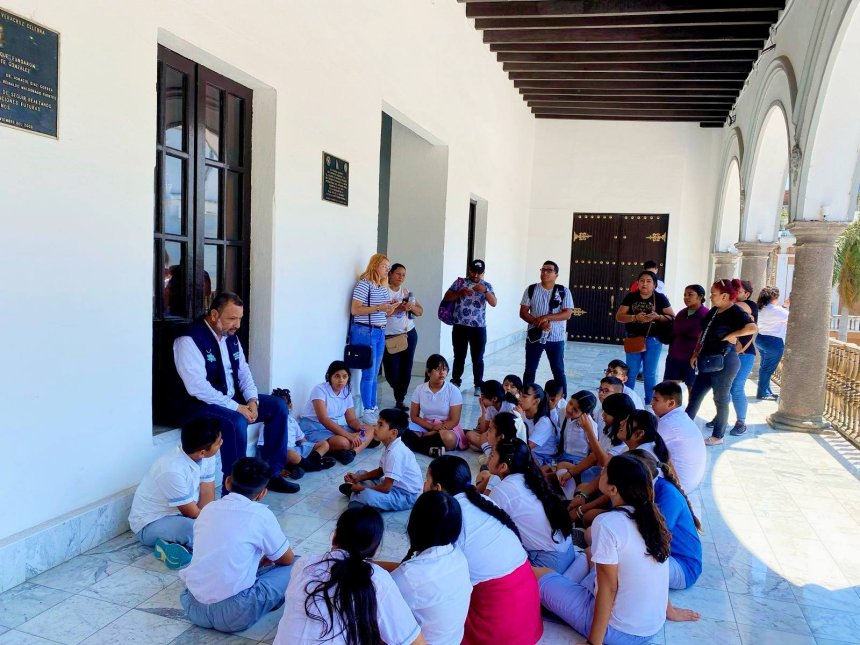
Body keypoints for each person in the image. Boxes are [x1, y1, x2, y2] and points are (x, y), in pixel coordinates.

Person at [537, 454, 674, 645]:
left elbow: (608, 589)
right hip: (650, 626)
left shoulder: (608, 523)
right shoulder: (651, 516)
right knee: (590, 554)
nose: (601, 471)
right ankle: (565, 583)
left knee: (538, 575)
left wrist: (593, 643)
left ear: (613, 489)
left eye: (605, 471)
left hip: (618, 631)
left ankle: (560, 584)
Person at [172, 291, 298, 495]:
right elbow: (197, 387)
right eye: (232, 319)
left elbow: (244, 372)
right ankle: (235, 490)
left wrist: (252, 400)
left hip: (229, 400)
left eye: (240, 318)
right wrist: (237, 407)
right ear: (214, 315)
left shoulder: (231, 337)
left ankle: (271, 474)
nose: (237, 325)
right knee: (235, 422)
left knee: (277, 406)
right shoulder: (189, 340)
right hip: (197, 405)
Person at [424, 455, 543, 645]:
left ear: (437, 488)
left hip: (496, 626)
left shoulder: (449, 517)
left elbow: (426, 579)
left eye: (426, 480)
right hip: (527, 616)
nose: (423, 485)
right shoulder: (483, 502)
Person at [273, 506, 424, 645]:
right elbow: (415, 643)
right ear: (376, 549)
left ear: (334, 536)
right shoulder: (377, 580)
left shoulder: (304, 564)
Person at [180, 457, 296, 633]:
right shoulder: (261, 514)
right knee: (297, 565)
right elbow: (287, 559)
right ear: (262, 493)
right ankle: (270, 601)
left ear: (227, 482)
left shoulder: (208, 509)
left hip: (192, 607)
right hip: (234, 615)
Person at [128, 418, 222, 569]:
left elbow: (207, 493)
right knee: (202, 531)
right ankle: (179, 544)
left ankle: (170, 546)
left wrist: (212, 521)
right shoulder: (171, 469)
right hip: (150, 524)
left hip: (180, 516)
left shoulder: (206, 457)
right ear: (202, 452)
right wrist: (211, 525)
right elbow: (192, 513)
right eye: (218, 442)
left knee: (212, 528)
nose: (221, 443)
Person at [384, 491, 472, 645]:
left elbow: (379, 612)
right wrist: (371, 564)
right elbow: (408, 572)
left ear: (415, 525)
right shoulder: (457, 555)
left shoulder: (408, 578)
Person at [488, 437, 576, 573]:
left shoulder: (503, 490)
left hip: (548, 564)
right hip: (569, 551)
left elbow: (487, 530)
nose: (488, 457)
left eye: (492, 455)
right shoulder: (532, 478)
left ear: (503, 466)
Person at [686, 279, 757, 446]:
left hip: (725, 361)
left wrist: (734, 335)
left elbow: (752, 327)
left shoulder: (736, 311)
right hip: (708, 359)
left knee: (720, 398)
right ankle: (685, 426)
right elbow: (704, 333)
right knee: (696, 394)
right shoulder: (714, 311)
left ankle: (718, 435)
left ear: (725, 296)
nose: (711, 297)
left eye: (713, 294)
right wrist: (695, 353)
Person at [630, 449, 703, 591]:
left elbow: (653, 537)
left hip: (683, 567)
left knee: (625, 559)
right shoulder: (651, 488)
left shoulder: (668, 496)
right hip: (666, 556)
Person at [339, 408, 423, 512]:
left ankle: (358, 499)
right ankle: (359, 496)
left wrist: (362, 489)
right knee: (361, 473)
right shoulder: (390, 445)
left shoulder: (395, 453)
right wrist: (358, 478)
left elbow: (386, 487)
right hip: (393, 486)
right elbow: (380, 472)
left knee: (367, 495)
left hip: (405, 496)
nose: (375, 428)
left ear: (393, 433)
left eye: (380, 425)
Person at [350, 253, 399, 425]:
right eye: (385, 266)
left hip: (379, 331)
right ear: (375, 265)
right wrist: (379, 307)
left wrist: (391, 308)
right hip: (366, 331)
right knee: (369, 372)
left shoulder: (381, 286)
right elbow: (355, 310)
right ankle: (367, 409)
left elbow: (384, 312)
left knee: (375, 371)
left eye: (388, 266)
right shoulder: (365, 284)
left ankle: (372, 406)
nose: (388, 269)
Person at [616, 271, 675, 405]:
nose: (644, 284)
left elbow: (672, 316)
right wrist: (634, 317)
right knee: (630, 372)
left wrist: (658, 317)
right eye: (642, 280)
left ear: (654, 284)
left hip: (653, 340)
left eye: (649, 281)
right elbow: (619, 316)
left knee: (650, 373)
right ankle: (627, 401)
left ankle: (650, 402)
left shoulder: (660, 298)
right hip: (633, 339)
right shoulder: (631, 297)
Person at [299, 361, 374, 466]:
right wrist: (350, 436)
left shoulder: (346, 391)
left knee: (370, 429)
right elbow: (323, 419)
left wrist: (359, 428)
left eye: (345, 376)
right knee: (343, 442)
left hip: (334, 426)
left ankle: (351, 453)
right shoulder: (320, 390)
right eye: (337, 376)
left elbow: (351, 420)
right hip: (314, 428)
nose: (341, 380)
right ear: (329, 376)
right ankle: (356, 445)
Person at [520, 260, 574, 397]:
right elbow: (523, 312)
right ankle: (526, 397)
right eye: (543, 269)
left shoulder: (563, 291)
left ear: (556, 274)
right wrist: (539, 323)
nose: (545, 272)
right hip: (535, 337)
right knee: (530, 369)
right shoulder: (531, 289)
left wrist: (546, 317)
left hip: (555, 338)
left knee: (558, 370)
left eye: (549, 270)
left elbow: (567, 314)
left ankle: (562, 399)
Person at [443, 259, 497, 395]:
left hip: (478, 328)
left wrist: (485, 291)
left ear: (483, 273)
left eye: (479, 273)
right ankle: (455, 381)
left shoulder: (487, 286)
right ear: (469, 270)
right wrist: (460, 293)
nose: (476, 275)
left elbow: (494, 303)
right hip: (460, 326)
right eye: (473, 272)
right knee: (459, 356)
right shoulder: (460, 283)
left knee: (477, 357)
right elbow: (447, 297)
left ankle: (478, 384)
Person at [402, 354, 466, 454]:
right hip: (426, 425)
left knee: (448, 438)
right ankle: (428, 449)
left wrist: (436, 431)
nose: (442, 373)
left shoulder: (453, 390)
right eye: (437, 369)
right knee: (401, 429)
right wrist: (431, 428)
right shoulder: (419, 389)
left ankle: (421, 443)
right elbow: (414, 417)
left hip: (447, 427)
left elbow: (454, 420)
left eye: (444, 369)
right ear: (428, 372)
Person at [651, 381, 706, 494]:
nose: (652, 403)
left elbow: (645, 448)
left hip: (678, 486)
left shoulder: (668, 424)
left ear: (671, 403)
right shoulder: (679, 417)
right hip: (689, 483)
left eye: (656, 400)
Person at [382, 263, 423, 411]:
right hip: (389, 337)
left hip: (408, 334)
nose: (401, 277)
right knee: (391, 372)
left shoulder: (406, 292)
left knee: (406, 368)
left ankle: (400, 399)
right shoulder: (383, 291)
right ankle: (398, 390)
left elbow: (420, 311)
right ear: (390, 274)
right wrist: (398, 307)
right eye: (398, 274)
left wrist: (410, 307)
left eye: (404, 275)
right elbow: (381, 313)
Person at [723, 279, 759, 436]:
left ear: (747, 294)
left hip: (744, 355)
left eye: (738, 290)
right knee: (723, 388)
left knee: (737, 388)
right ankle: (720, 417)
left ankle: (741, 422)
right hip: (730, 353)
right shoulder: (732, 307)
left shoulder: (749, 305)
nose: (734, 293)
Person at [664, 284, 709, 392]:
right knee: (668, 388)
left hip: (692, 358)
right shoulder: (681, 313)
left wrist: (697, 354)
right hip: (675, 356)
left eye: (690, 294)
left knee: (692, 389)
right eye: (685, 295)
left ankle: (689, 409)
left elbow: (705, 337)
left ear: (700, 296)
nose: (686, 298)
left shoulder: (706, 314)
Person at [755, 286, 788, 400]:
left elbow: (776, 314)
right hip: (774, 343)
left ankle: (766, 390)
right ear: (774, 297)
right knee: (767, 369)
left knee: (764, 367)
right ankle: (762, 393)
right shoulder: (776, 310)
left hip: (761, 339)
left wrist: (784, 306)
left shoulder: (760, 308)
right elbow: (791, 318)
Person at [519, 383, 558, 466]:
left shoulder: (544, 422)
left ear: (536, 401)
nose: (519, 399)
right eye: (520, 395)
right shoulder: (522, 414)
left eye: (524, 396)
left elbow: (525, 447)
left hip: (543, 458)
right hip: (530, 454)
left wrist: (520, 422)